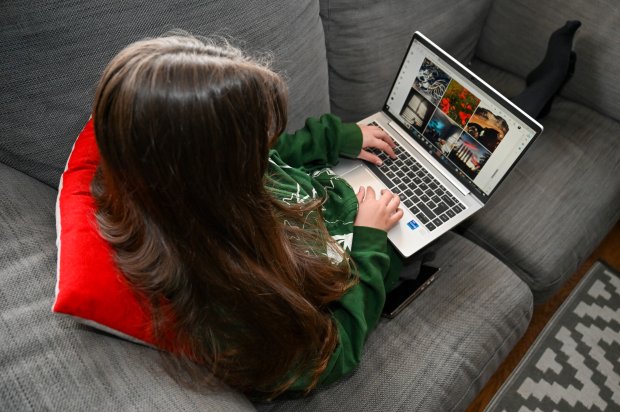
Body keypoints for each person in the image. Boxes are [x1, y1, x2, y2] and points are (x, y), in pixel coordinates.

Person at [90, 34, 406, 400]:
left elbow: (276, 152)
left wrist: (336, 138)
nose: (266, 146)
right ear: (215, 170)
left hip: (340, 198)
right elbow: (332, 355)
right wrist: (370, 240)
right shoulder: (233, 309)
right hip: (368, 253)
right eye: (254, 141)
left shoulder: (175, 185)